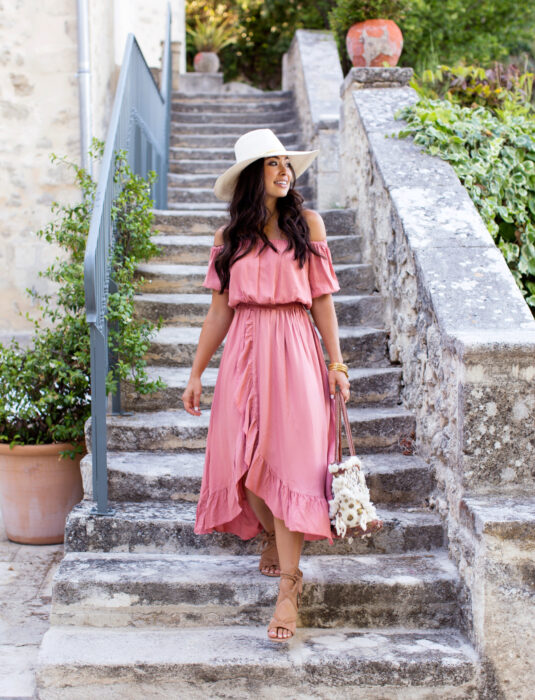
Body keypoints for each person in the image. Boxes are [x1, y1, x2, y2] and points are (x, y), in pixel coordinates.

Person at [181, 128, 350, 642]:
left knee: (292, 462)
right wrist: (195, 371)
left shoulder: (309, 225)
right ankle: (273, 536)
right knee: (243, 464)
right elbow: (218, 312)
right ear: (253, 176)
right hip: (244, 352)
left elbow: (321, 299)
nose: (284, 171)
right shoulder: (228, 239)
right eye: (272, 164)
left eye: (286, 163)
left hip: (296, 348)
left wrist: (336, 365)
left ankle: (289, 589)